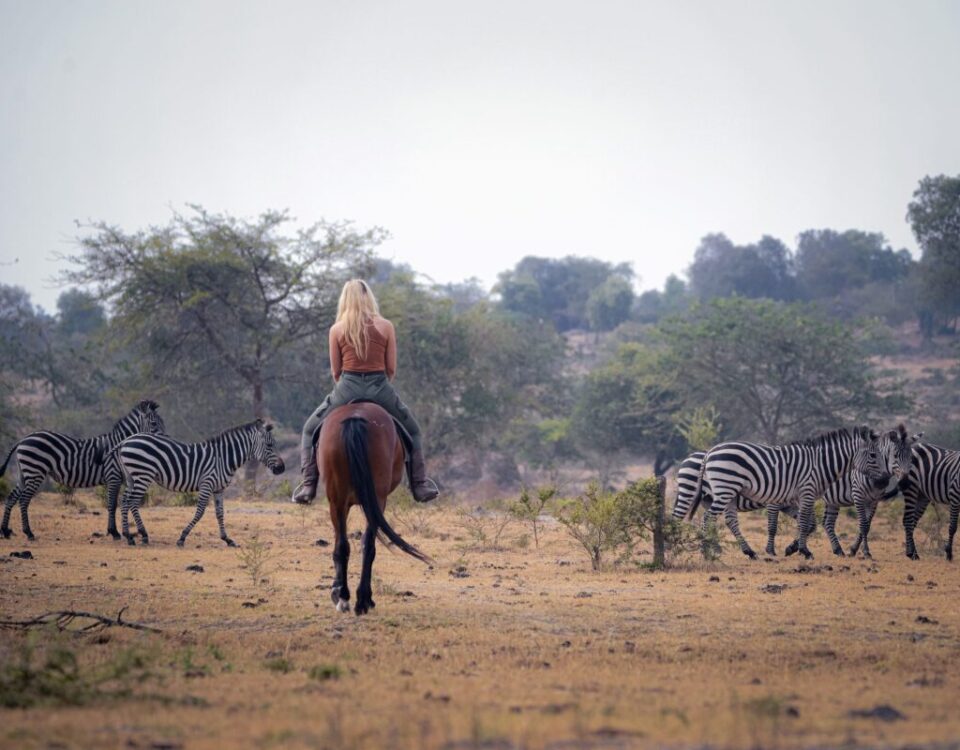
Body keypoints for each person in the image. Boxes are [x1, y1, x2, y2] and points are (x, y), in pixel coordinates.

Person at [292, 279, 439, 504]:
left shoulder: (337, 329)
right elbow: (391, 368)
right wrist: (378, 385)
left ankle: (308, 485)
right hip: (379, 387)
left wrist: (349, 386)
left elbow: (336, 371)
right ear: (369, 297)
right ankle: (419, 485)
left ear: (345, 300)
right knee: (414, 431)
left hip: (346, 387)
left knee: (309, 430)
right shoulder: (386, 326)